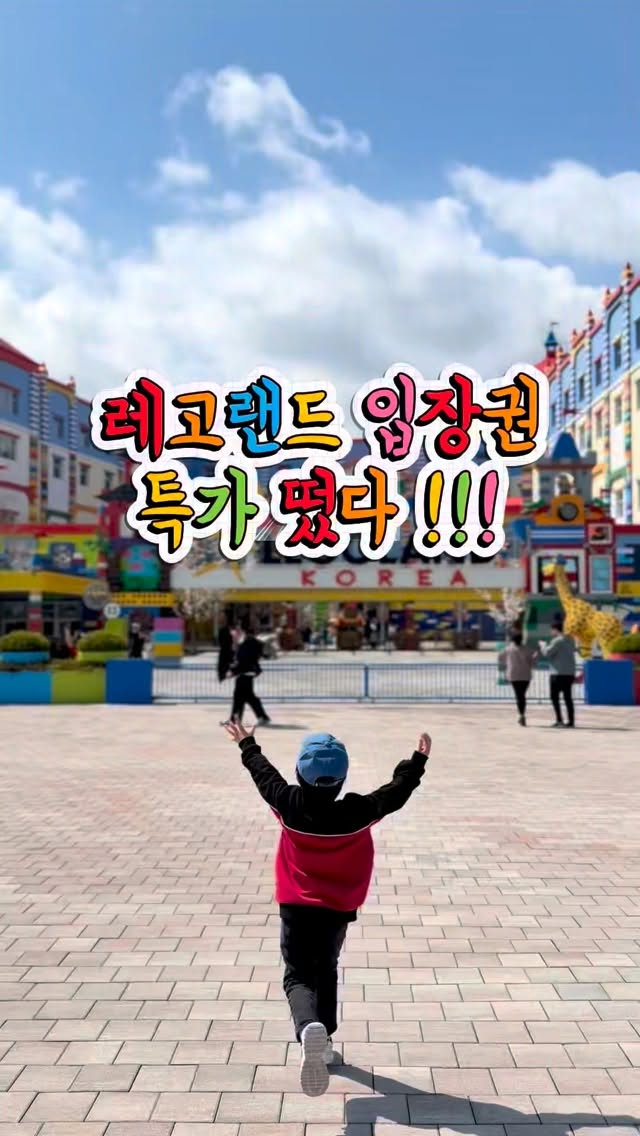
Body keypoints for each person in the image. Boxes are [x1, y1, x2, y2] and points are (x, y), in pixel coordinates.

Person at [223, 721, 431, 1097]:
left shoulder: (288, 804)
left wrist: (247, 743)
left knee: (297, 976)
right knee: (327, 967)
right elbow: (396, 793)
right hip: (337, 908)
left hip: (295, 905)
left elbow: (263, 775)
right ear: (342, 779)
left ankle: (308, 1030)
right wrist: (416, 761)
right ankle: (326, 1041)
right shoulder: (357, 812)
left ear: (299, 774)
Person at [227, 623, 271, 726]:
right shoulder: (252, 642)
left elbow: (244, 660)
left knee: (240, 697)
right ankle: (261, 717)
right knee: (248, 697)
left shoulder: (247, 643)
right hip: (247, 673)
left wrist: (234, 671)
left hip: (245, 673)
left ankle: (236, 720)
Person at [539, 617, 577, 727]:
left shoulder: (557, 641)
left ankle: (559, 720)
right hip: (569, 673)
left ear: (556, 629)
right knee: (568, 698)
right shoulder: (571, 639)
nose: (551, 632)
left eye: (551, 629)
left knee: (554, 697)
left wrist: (543, 645)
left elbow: (547, 653)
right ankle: (571, 721)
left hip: (557, 673)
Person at [498, 631, 538, 726]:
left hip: (514, 675)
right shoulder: (528, 649)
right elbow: (533, 662)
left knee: (519, 695)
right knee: (522, 695)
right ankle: (522, 714)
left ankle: (521, 715)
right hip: (525, 675)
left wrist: (507, 663)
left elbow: (500, 657)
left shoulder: (508, 649)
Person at [217, 616, 233, 683]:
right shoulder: (228, 631)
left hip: (224, 649)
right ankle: (224, 674)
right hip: (227, 649)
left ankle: (222, 675)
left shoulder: (223, 630)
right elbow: (230, 640)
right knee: (226, 663)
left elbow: (220, 639)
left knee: (223, 663)